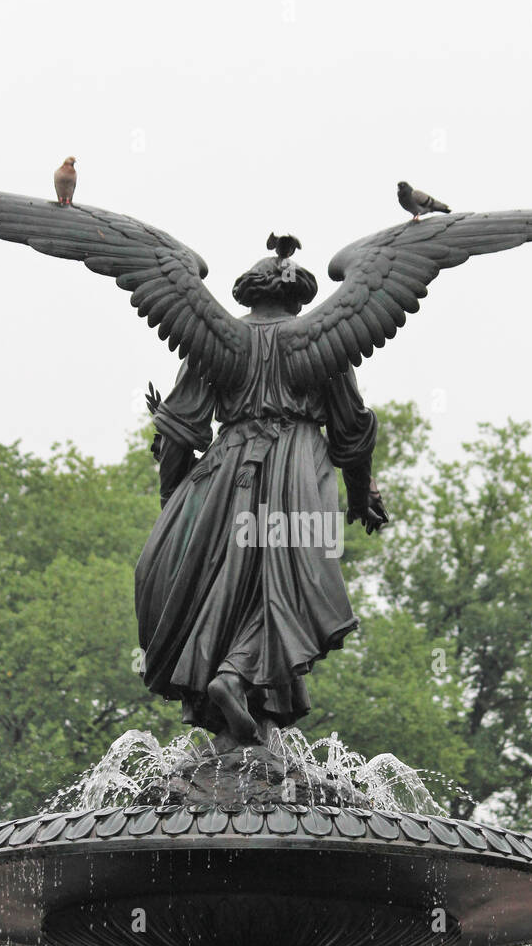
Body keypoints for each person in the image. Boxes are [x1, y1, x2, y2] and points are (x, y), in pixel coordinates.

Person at [136, 250, 387, 750]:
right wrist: (361, 494)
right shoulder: (327, 343)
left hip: (225, 471)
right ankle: (236, 676)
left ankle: (244, 708)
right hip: (296, 465)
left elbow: (179, 431)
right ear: (300, 297)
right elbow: (350, 429)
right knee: (286, 586)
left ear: (248, 291)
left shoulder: (215, 340)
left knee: (225, 585)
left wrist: (175, 507)